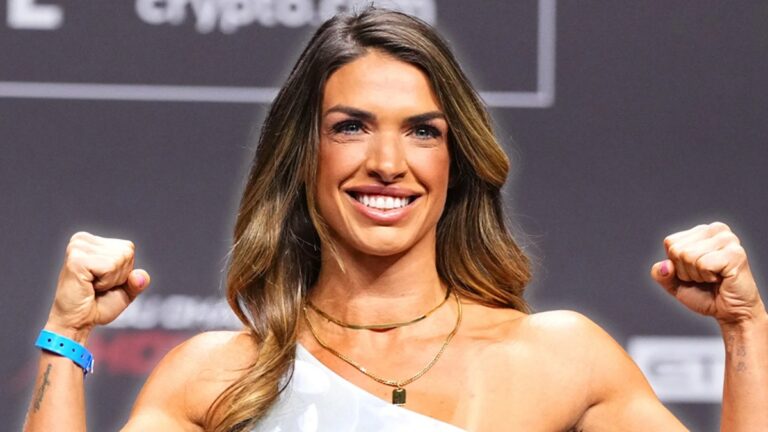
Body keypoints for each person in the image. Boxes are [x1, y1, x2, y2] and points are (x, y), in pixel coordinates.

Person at [24, 7, 767, 432]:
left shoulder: (560, 358)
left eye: (422, 131)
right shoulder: (216, 376)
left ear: (456, 159)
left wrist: (744, 329)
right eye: (350, 127)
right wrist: (66, 334)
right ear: (303, 154)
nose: (388, 162)